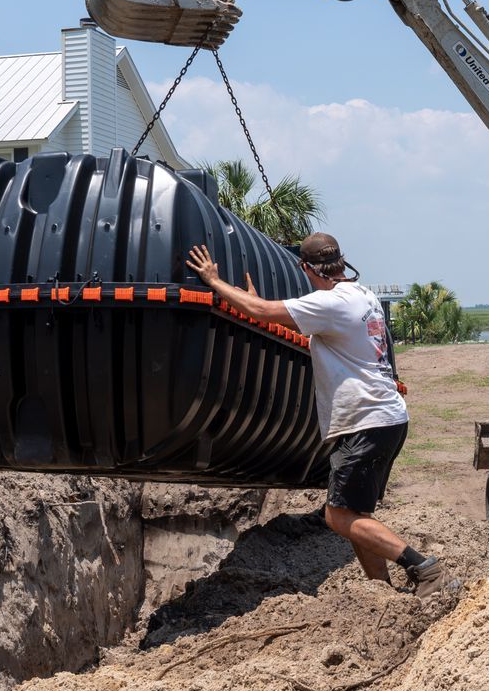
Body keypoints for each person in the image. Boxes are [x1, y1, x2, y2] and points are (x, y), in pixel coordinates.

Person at [184, 232, 451, 597]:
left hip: (366, 420)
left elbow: (262, 313)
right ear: (342, 262)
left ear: (306, 268)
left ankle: (424, 568)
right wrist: (258, 302)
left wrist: (213, 281)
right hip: (384, 417)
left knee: (337, 517)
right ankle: (383, 593)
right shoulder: (362, 296)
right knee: (355, 517)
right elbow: (280, 315)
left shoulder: (331, 305)